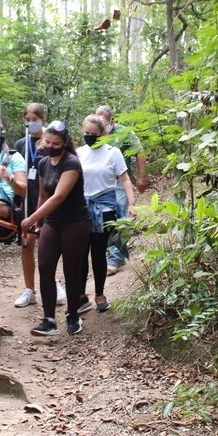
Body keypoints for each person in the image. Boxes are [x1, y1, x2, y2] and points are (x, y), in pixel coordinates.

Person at [20, 121, 91, 336]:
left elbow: (59, 196)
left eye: (56, 143)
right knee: (46, 266)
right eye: (47, 142)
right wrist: (40, 222)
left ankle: (72, 315)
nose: (51, 146)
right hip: (52, 222)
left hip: (75, 222)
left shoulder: (72, 164)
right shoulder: (43, 163)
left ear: (65, 143)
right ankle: (49, 319)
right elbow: (44, 195)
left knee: (71, 269)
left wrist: (31, 218)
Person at [76, 115, 136, 314]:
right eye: (86, 133)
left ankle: (100, 294)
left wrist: (132, 202)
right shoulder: (78, 153)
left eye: (93, 134)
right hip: (82, 209)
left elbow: (124, 178)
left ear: (102, 134)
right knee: (80, 254)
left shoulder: (113, 153)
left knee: (99, 253)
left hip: (105, 209)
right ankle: (80, 295)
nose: (90, 137)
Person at [13, 103, 66, 308]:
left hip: (49, 199)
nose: (30, 123)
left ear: (43, 119)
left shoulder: (51, 143)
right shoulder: (20, 144)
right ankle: (29, 290)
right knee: (27, 243)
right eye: (27, 119)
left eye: (34, 119)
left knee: (49, 244)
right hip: (27, 198)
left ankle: (53, 282)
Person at [95, 105, 147, 274]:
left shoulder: (125, 133)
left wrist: (142, 177)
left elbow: (139, 152)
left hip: (119, 181)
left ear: (112, 120)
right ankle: (109, 251)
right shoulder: (94, 134)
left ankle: (116, 257)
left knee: (120, 214)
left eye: (104, 119)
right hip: (99, 183)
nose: (101, 122)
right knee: (103, 218)